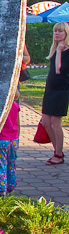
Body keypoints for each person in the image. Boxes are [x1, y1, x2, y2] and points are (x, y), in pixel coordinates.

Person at [41, 22, 69, 165]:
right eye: (55, 31)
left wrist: (59, 51)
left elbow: (59, 70)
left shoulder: (66, 51)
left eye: (60, 31)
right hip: (50, 89)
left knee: (55, 122)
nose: (57, 33)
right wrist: (56, 50)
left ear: (66, 33)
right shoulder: (55, 48)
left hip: (61, 89)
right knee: (46, 121)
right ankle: (57, 150)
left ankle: (58, 154)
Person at [0, 94, 20, 196]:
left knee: (0, 164)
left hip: (1, 139)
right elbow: (18, 123)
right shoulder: (15, 105)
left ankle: (1, 188)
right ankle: (11, 185)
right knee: (11, 163)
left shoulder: (0, 106)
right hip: (13, 139)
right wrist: (18, 136)